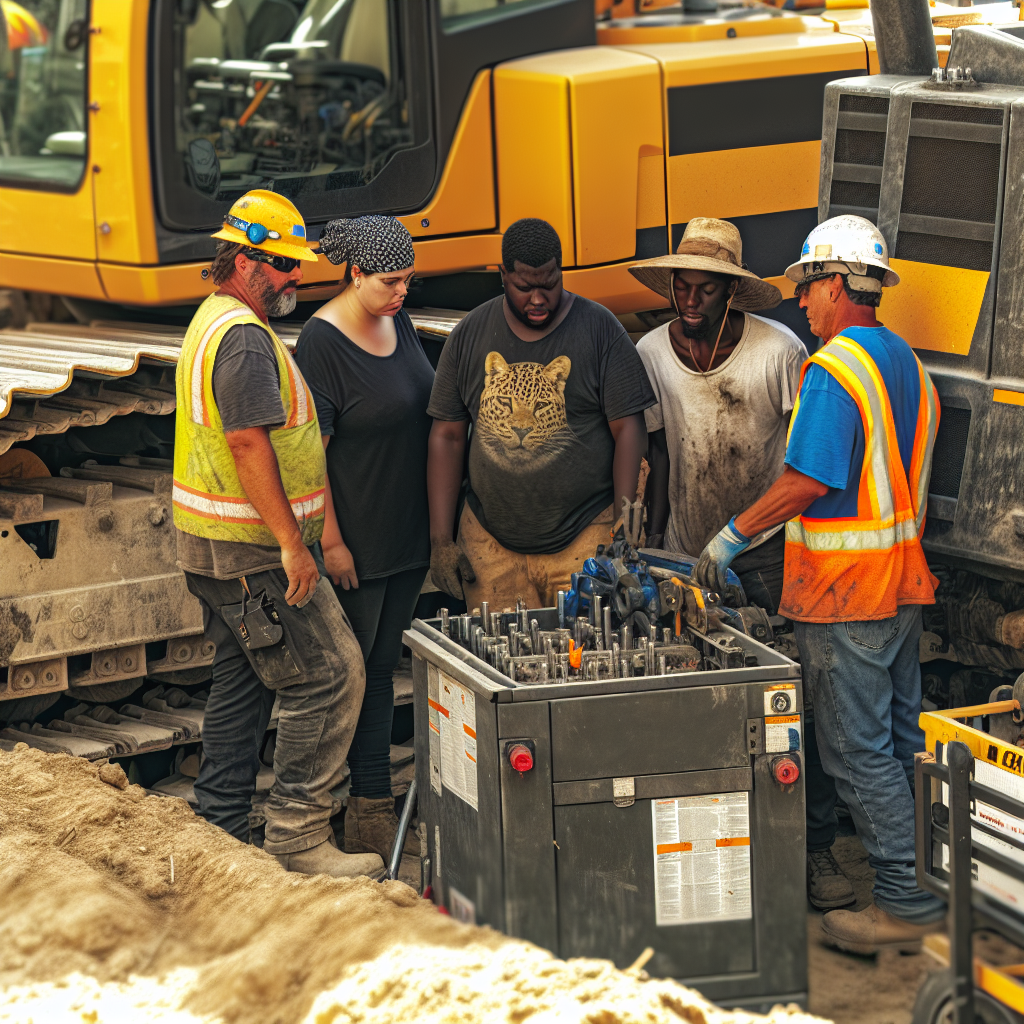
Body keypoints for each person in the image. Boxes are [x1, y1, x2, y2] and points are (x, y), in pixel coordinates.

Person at [695, 215, 945, 954]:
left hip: (847, 591)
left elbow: (808, 478)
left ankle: (902, 902)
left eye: (807, 288)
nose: (801, 303)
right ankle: (924, 882)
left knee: (854, 749)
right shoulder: (906, 364)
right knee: (899, 742)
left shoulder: (834, 370)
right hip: (899, 586)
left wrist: (731, 537)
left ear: (837, 285)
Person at [172, 189, 384, 880]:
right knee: (331, 673)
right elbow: (245, 443)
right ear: (243, 259)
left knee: (244, 684)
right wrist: (296, 544)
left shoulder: (216, 319)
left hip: (216, 549)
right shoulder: (241, 339)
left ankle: (221, 830)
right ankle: (296, 837)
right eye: (285, 266)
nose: (298, 277)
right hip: (253, 553)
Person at [426, 217, 655, 611]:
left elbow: (629, 430)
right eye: (524, 287)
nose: (537, 298)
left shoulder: (600, 330)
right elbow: (446, 436)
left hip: (585, 536)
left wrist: (622, 525)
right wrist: (440, 540)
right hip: (489, 545)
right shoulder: (470, 334)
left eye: (549, 284)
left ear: (561, 271)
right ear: (502, 276)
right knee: (502, 663)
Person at [293, 215, 430, 864]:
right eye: (389, 281)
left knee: (385, 669)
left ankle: (371, 814)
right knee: (362, 676)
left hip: (407, 532)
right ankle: (366, 816)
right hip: (360, 540)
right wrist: (333, 543)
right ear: (355, 273)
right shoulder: (321, 343)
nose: (402, 292)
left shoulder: (396, 319)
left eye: (408, 279)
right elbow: (312, 455)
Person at [630, 217, 807, 614]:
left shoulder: (778, 352)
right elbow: (659, 454)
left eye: (706, 289)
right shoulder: (651, 352)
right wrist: (655, 541)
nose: (690, 301)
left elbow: (805, 458)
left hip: (764, 550)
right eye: (682, 287)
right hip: (685, 549)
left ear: (730, 290)